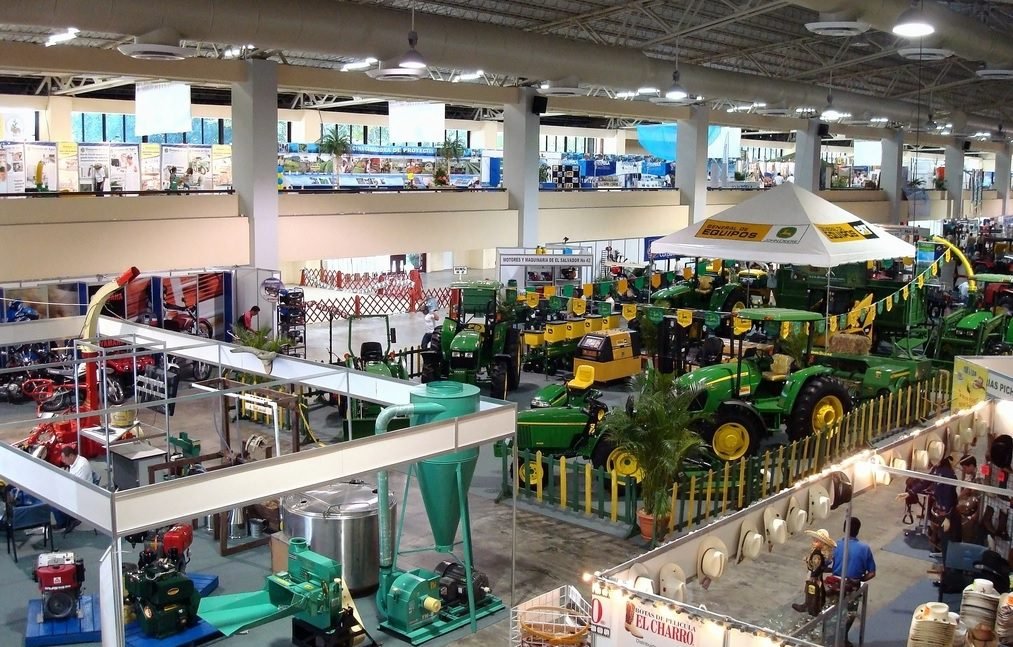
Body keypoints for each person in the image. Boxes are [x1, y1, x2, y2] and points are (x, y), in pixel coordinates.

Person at [830, 517, 876, 647]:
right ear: (858, 531)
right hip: (852, 588)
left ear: (844, 528)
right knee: (849, 614)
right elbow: (872, 573)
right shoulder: (865, 548)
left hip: (835, 586)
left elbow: (827, 564)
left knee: (832, 614)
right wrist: (859, 580)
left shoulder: (835, 545)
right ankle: (843, 639)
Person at [53, 445, 92, 534]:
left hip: (82, 495)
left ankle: (65, 522)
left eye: (64, 458)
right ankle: (67, 519)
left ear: (71, 456)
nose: (63, 461)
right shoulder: (73, 463)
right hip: (75, 491)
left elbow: (78, 486)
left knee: (53, 502)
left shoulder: (82, 465)